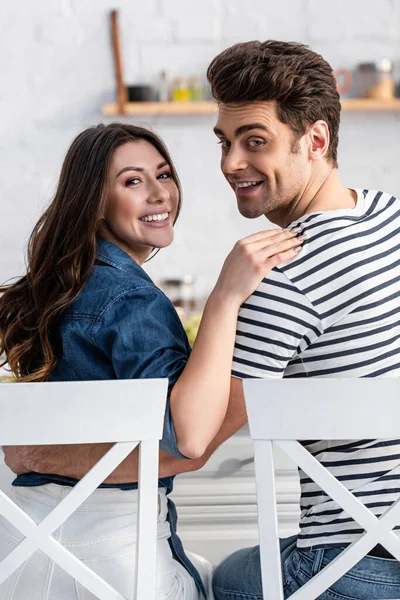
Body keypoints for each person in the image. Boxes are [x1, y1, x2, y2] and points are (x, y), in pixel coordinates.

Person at [0, 122, 303, 600]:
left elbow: (25, 449)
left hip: (20, 555)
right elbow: (187, 439)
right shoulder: (132, 301)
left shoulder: (57, 288)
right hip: (116, 559)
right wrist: (226, 296)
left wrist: (38, 455)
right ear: (94, 202)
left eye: (164, 174)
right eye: (133, 181)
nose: (160, 194)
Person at [205, 41, 400, 599]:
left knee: (223, 579)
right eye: (225, 142)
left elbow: (192, 446)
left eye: (255, 141)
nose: (230, 163)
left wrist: (41, 456)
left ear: (314, 140)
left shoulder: (282, 275)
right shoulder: (388, 213)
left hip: (351, 570)